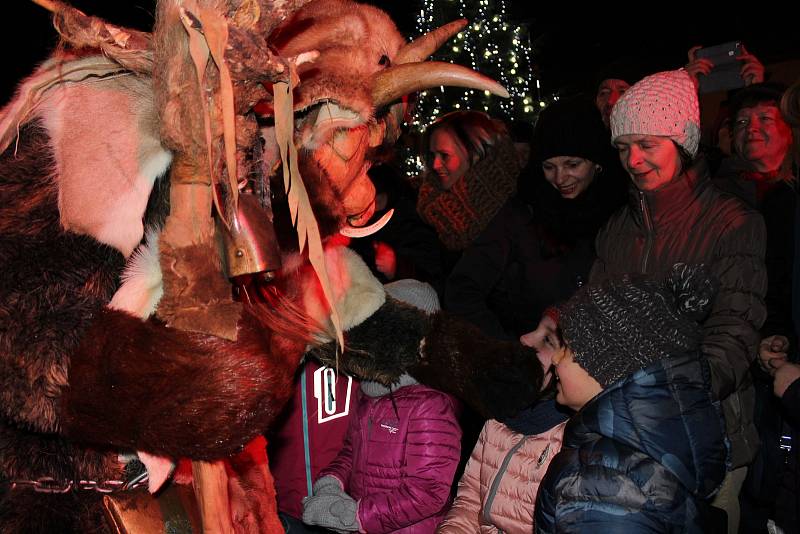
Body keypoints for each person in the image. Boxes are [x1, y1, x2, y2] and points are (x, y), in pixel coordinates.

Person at [594, 68, 768, 533]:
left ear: (684, 142)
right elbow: (593, 313)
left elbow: (733, 336)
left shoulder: (732, 223)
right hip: (630, 436)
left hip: (710, 440)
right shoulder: (619, 226)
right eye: (622, 147)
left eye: (647, 144)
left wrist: (663, 397)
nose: (633, 160)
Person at [534, 264, 728, 533]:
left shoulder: (605, 485)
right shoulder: (635, 454)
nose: (555, 358)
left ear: (606, 367)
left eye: (567, 348)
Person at [301, 280, 462, 533]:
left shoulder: (430, 405)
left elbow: (428, 492)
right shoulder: (371, 394)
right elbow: (350, 452)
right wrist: (331, 483)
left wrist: (359, 517)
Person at [438, 309, 568, 534]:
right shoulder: (499, 417)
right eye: (535, 329)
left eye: (547, 339)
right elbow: (470, 502)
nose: (525, 338)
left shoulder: (569, 442)